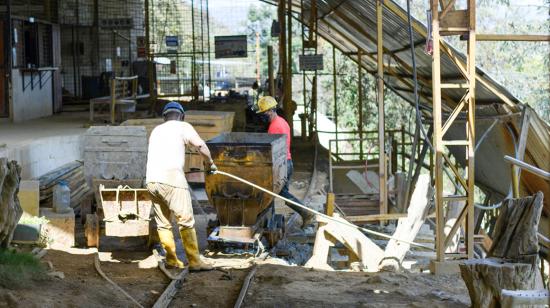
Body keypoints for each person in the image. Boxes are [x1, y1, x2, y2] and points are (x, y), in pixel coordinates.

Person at [146, 102, 217, 270]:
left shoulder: (156, 130)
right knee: (185, 221)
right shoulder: (183, 126)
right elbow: (200, 145)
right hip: (172, 180)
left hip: (151, 181)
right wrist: (210, 163)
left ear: (164, 117)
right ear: (181, 116)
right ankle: (195, 261)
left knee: (163, 223)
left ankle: (171, 260)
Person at [256, 96, 314, 228]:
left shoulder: (274, 127)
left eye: (263, 113)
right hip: (287, 162)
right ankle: (271, 221)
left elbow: (272, 151)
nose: (262, 116)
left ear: (271, 110)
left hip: (281, 165)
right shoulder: (282, 122)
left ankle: (305, 212)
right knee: (279, 192)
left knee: (276, 192)